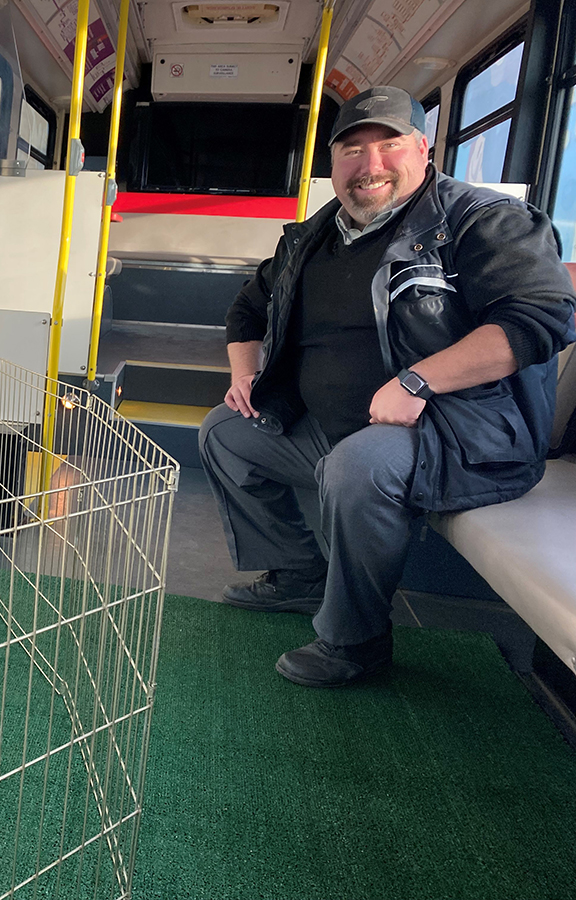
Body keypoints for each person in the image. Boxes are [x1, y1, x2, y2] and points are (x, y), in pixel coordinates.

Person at [198, 85, 576, 687]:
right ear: (332, 164)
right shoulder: (309, 238)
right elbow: (248, 308)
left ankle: (356, 641)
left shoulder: (486, 222)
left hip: (465, 434)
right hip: (333, 427)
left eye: (389, 145)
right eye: (351, 150)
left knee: (360, 465)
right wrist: (246, 373)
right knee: (225, 431)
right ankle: (297, 575)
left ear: (423, 150)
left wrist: (419, 381)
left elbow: (539, 320)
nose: (369, 165)